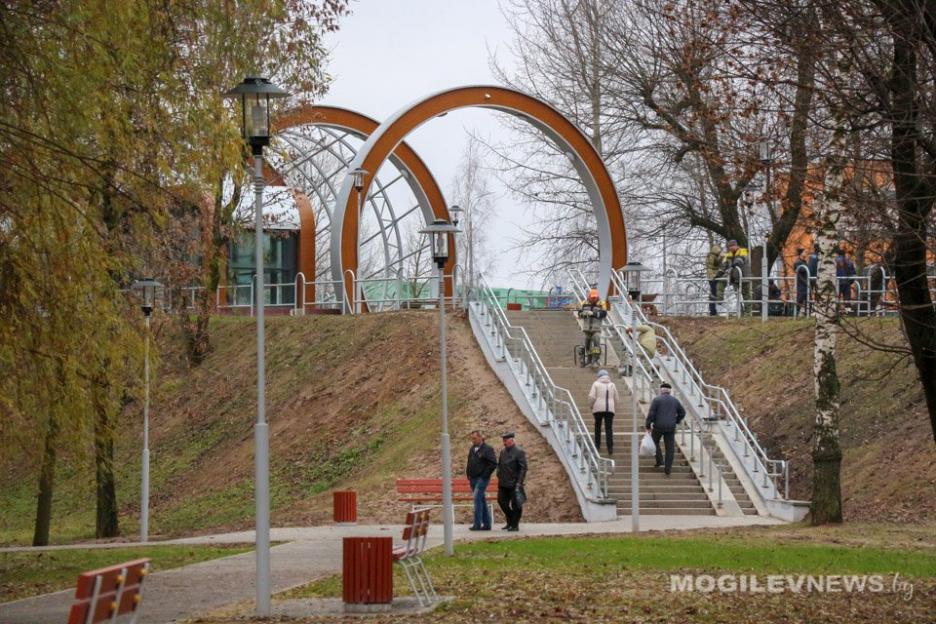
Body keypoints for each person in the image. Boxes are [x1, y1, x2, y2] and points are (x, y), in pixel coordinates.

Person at [645, 382, 685, 475]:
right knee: (670, 448)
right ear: (670, 391)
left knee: (654, 442)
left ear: (661, 390)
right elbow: (682, 412)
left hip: (658, 426)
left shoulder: (657, 400)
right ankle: (668, 469)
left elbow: (651, 414)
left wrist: (648, 425)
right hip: (670, 427)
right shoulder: (675, 400)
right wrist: (676, 421)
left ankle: (659, 460)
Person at [465, 430, 497, 531]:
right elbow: (470, 461)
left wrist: (484, 475)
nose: (473, 440)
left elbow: (493, 463)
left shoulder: (487, 449)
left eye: (474, 438)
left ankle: (477, 524)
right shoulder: (472, 449)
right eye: (472, 438)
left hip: (482, 479)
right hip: (473, 478)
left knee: (477, 498)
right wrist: (468, 474)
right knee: (481, 500)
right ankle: (487, 524)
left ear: (480, 438)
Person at [496, 432, 527, 532]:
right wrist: (498, 473)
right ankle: (510, 519)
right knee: (501, 501)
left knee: (516, 504)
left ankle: (515, 524)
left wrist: (519, 482)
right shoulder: (503, 452)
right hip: (503, 482)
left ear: (512, 440)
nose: (504, 442)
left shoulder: (519, 452)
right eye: (503, 440)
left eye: (506, 440)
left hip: (514, 483)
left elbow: (523, 468)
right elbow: (499, 464)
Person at [588, 369, 619, 455]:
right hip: (610, 410)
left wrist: (591, 406)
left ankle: (597, 446)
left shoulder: (596, 384)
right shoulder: (612, 385)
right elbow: (616, 398)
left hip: (598, 409)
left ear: (599, 376)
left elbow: (592, 397)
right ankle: (610, 448)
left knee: (597, 427)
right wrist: (614, 407)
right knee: (609, 428)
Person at [577, 288, 607, 365]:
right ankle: (588, 359)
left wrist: (593, 313)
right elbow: (579, 314)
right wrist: (583, 314)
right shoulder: (584, 303)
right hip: (586, 329)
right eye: (592, 297)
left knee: (596, 340)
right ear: (589, 296)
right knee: (586, 343)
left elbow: (603, 314)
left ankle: (596, 358)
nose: (594, 299)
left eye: (595, 297)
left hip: (596, 329)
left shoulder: (602, 303)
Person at [722, 240, 750, 314]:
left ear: (736, 245)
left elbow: (742, 259)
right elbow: (724, 265)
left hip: (744, 277)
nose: (731, 248)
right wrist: (720, 272)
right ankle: (740, 312)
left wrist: (735, 263)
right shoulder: (728, 255)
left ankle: (748, 313)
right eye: (729, 246)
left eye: (732, 246)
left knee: (746, 295)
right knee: (737, 296)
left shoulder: (743, 251)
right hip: (734, 278)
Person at [705, 243, 725, 316]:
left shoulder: (711, 256)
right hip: (712, 276)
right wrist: (721, 257)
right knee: (713, 293)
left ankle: (713, 311)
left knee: (714, 293)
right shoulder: (711, 256)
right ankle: (712, 311)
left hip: (713, 276)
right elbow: (715, 264)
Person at [793, 247, 809, 316]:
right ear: (801, 254)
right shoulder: (798, 262)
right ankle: (796, 314)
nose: (806, 253)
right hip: (801, 284)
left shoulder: (804, 262)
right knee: (800, 299)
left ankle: (807, 313)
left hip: (806, 283)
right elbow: (803, 270)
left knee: (808, 299)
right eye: (804, 252)